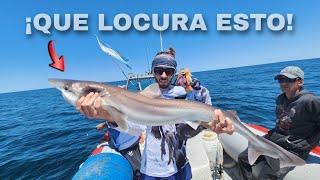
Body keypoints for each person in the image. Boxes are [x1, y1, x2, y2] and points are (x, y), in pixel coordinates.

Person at [76, 47, 235, 179]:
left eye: (168, 71)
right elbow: (134, 127)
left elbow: (196, 124)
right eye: (159, 70)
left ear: (174, 72)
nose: (163, 75)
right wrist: (108, 115)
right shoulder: (143, 98)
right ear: (153, 71)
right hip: (151, 168)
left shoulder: (186, 96)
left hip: (180, 163)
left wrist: (213, 126)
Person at [238, 66, 320, 180]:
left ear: (300, 81)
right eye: (281, 80)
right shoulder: (280, 99)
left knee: (266, 175)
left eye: (288, 80)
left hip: (293, 148)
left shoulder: (310, 101)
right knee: (243, 158)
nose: (283, 83)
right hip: (275, 139)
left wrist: (307, 144)